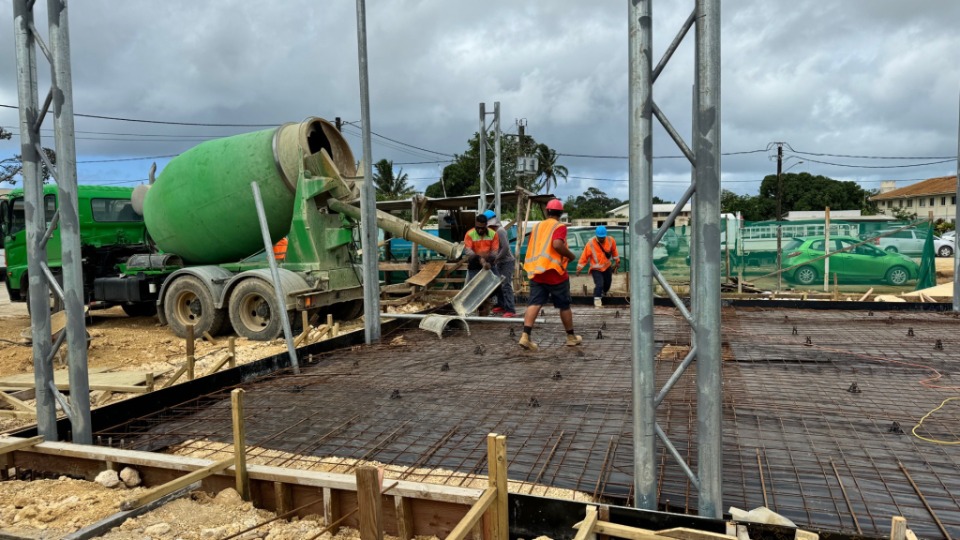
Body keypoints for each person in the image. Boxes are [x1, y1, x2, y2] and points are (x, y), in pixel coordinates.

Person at [519, 199, 581, 351]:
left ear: (547, 212)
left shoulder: (538, 226)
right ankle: (571, 337)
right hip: (554, 272)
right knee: (564, 305)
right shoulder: (559, 226)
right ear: (560, 213)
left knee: (534, 303)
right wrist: (571, 256)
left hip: (537, 271)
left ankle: (525, 336)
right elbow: (557, 245)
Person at [576, 226, 619, 308]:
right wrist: (579, 269)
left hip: (607, 267)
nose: (602, 239)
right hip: (596, 269)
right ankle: (597, 303)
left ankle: (602, 292)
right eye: (600, 238)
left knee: (607, 283)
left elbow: (614, 251)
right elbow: (584, 257)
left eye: (603, 237)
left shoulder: (610, 240)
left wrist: (617, 262)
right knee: (599, 284)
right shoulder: (590, 244)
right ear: (596, 236)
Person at [484, 210, 517, 318]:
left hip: (506, 261)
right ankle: (502, 305)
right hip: (499, 261)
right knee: (499, 285)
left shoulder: (500, 231)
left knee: (506, 285)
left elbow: (505, 248)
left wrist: (496, 259)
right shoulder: (492, 232)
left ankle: (510, 309)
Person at [463, 213, 499, 284]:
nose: (480, 230)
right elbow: (469, 252)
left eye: (482, 228)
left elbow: (494, 251)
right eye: (478, 228)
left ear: (486, 225)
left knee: (497, 284)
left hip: (489, 263)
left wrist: (488, 262)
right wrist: (480, 259)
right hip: (474, 264)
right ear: (475, 224)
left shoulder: (493, 234)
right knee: (475, 287)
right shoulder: (469, 234)